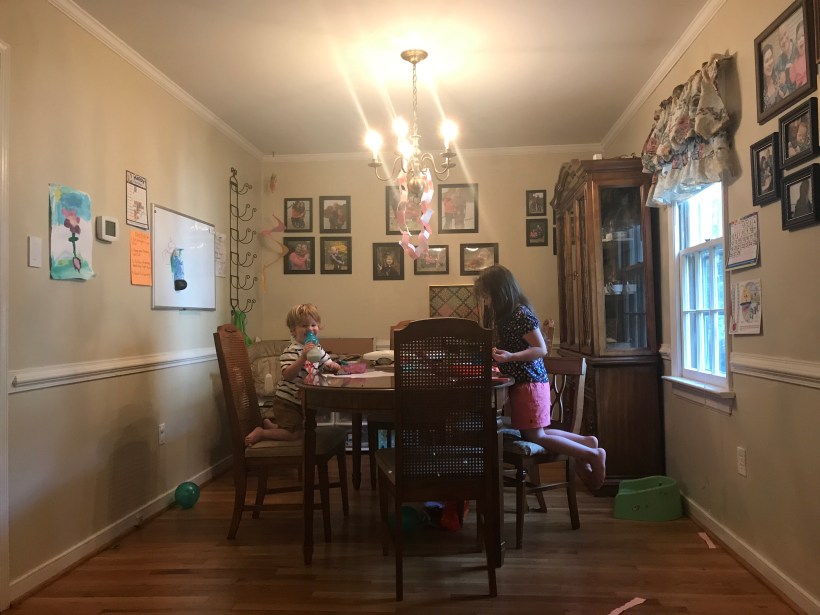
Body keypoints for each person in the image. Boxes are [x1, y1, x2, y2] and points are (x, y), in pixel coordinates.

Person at [474, 265, 606, 489]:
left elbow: (541, 349)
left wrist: (511, 357)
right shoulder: (509, 316)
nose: (487, 303)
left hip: (530, 384)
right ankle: (586, 442)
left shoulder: (520, 314)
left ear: (500, 292)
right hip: (526, 383)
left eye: (488, 296)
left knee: (536, 437)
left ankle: (593, 454)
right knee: (536, 432)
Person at [245, 303, 341, 446]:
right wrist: (303, 358)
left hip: (303, 400)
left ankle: (272, 426)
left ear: (318, 327)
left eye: (313, 325)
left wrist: (332, 366)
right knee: (295, 434)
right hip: (287, 401)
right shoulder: (291, 350)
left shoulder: (318, 349)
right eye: (304, 325)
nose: (310, 329)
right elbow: (288, 375)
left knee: (298, 427)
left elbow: (326, 364)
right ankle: (262, 432)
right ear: (293, 330)